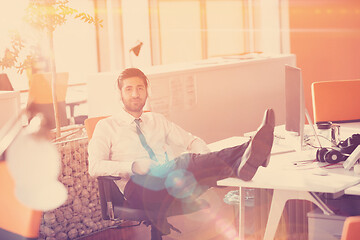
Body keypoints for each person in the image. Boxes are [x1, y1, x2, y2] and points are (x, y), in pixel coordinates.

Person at [88, 67, 275, 235]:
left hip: (168, 183)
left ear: (146, 92)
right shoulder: (106, 126)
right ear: (119, 93)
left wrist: (205, 159)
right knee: (185, 161)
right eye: (129, 89)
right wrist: (133, 166)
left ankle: (243, 162)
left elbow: (191, 140)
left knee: (196, 167)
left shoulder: (157, 120)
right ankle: (247, 153)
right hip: (138, 190)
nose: (135, 94)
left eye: (140, 88)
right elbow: (95, 166)